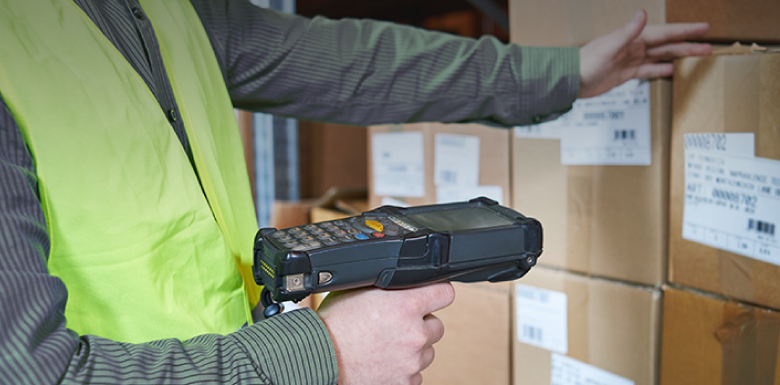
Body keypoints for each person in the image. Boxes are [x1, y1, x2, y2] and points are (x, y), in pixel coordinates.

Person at [0, 0, 709, 384]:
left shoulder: (171, 12)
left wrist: (562, 75)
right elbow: (34, 371)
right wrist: (326, 352)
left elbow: (359, 64)